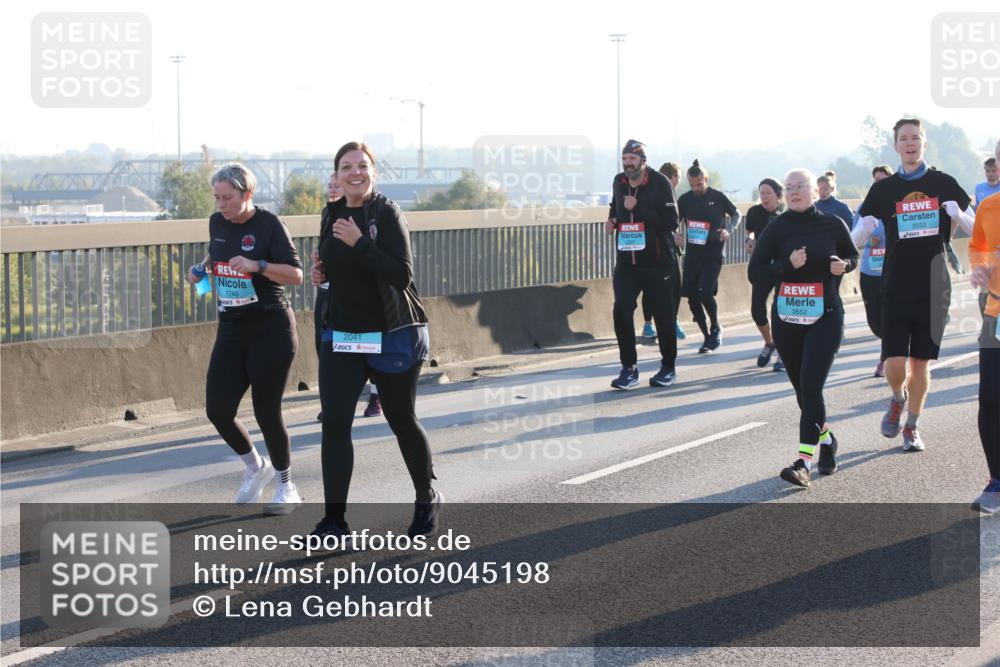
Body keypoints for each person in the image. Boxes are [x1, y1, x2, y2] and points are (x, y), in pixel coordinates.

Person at [311, 141, 439, 539]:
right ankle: (335, 522)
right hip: (345, 336)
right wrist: (323, 274)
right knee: (334, 424)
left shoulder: (386, 212)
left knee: (401, 420)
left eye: (362, 166)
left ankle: (425, 496)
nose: (355, 173)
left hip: (389, 334)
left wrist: (360, 242)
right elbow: (335, 265)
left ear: (373, 172)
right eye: (347, 167)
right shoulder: (331, 212)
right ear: (337, 174)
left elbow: (401, 274)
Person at [188, 163, 304, 514]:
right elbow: (217, 250)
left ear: (247, 194)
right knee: (218, 410)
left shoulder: (269, 224)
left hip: (270, 327)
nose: (221, 204)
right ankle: (256, 467)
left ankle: (287, 485)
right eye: (217, 197)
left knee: (266, 411)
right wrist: (203, 267)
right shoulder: (216, 221)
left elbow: (297, 275)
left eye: (228, 197)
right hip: (232, 326)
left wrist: (259, 266)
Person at [857, 118, 975, 451]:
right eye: (904, 139)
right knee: (895, 362)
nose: (910, 143)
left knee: (921, 363)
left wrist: (960, 215)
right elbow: (860, 230)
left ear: (924, 143)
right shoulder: (883, 190)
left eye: (916, 138)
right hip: (894, 284)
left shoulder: (944, 182)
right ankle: (897, 397)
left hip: (934, 285)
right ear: (895, 146)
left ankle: (912, 426)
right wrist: (850, 242)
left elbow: (978, 226)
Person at [748, 169, 859, 488]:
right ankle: (828, 441)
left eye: (801, 187)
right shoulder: (777, 228)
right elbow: (755, 274)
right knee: (804, 394)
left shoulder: (832, 223)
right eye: (790, 188)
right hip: (787, 319)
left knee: (811, 386)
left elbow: (852, 256)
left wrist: (844, 265)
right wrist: (786, 265)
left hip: (825, 316)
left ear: (814, 191)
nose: (795, 192)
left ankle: (802, 463)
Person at [605, 140, 681, 389]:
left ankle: (668, 367)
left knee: (663, 316)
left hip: (658, 262)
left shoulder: (660, 183)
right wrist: (612, 220)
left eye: (632, 160)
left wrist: (641, 208)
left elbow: (672, 221)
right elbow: (615, 207)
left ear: (643, 161)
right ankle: (629, 368)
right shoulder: (619, 181)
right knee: (621, 311)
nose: (628, 164)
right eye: (624, 159)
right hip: (627, 261)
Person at [312, 174, 382, 422]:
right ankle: (332, 403)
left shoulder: (367, 214)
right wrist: (319, 266)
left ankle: (376, 396)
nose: (332, 189)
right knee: (324, 347)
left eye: (336, 185)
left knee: (366, 349)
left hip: (359, 300)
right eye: (329, 185)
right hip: (328, 294)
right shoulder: (327, 213)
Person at [676, 160, 741, 353]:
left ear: (706, 179)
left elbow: (736, 214)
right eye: (692, 185)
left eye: (700, 184)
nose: (696, 188)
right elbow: (672, 221)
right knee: (692, 298)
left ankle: (715, 326)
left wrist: (729, 230)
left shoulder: (718, 197)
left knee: (705, 292)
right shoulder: (686, 199)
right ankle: (706, 337)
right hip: (693, 254)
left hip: (713, 252)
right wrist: (675, 234)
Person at [970, 140, 1000, 513]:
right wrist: (978, 267)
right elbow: (977, 246)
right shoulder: (990, 206)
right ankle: (997, 481)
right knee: (991, 397)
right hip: (996, 314)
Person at [851, 165, 893, 377]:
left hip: (894, 272)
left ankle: (886, 358)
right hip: (869, 271)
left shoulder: (897, 205)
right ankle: (892, 348)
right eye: (876, 180)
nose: (879, 183)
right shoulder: (865, 207)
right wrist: (865, 230)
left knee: (891, 318)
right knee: (875, 322)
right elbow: (853, 240)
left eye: (883, 180)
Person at [744, 177, 786, 371]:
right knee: (756, 309)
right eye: (761, 194)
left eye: (768, 194)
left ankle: (783, 354)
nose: (764, 197)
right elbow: (750, 231)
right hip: (762, 266)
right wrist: (750, 240)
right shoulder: (754, 212)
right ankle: (770, 343)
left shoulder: (787, 213)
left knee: (779, 310)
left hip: (783, 266)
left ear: (778, 195)